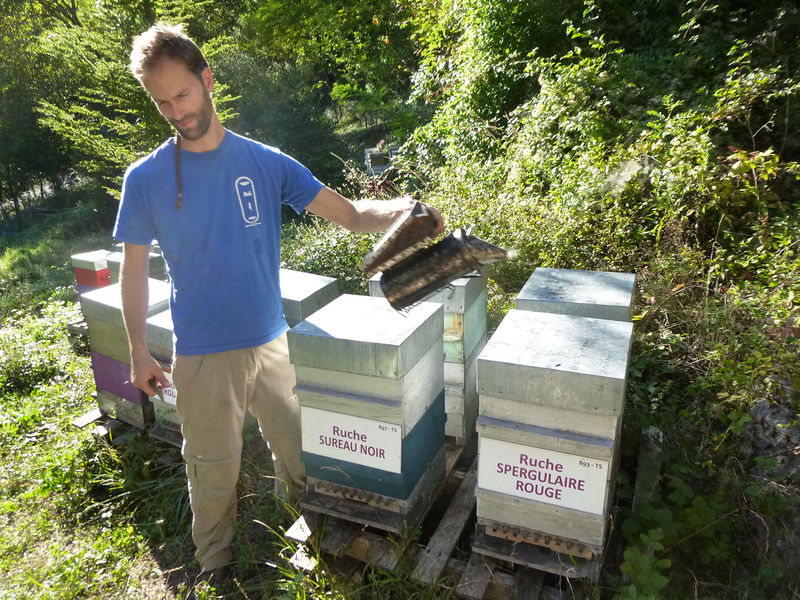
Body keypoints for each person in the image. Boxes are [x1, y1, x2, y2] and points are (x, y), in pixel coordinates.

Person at [113, 22, 441, 579]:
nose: (175, 110)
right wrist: (139, 352)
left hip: (271, 342)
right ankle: (214, 564)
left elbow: (353, 215)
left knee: (297, 449)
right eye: (161, 101)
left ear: (207, 80)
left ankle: (312, 529)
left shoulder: (265, 162)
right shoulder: (144, 179)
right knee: (212, 467)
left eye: (183, 94)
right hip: (202, 352)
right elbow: (134, 269)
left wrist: (409, 209)